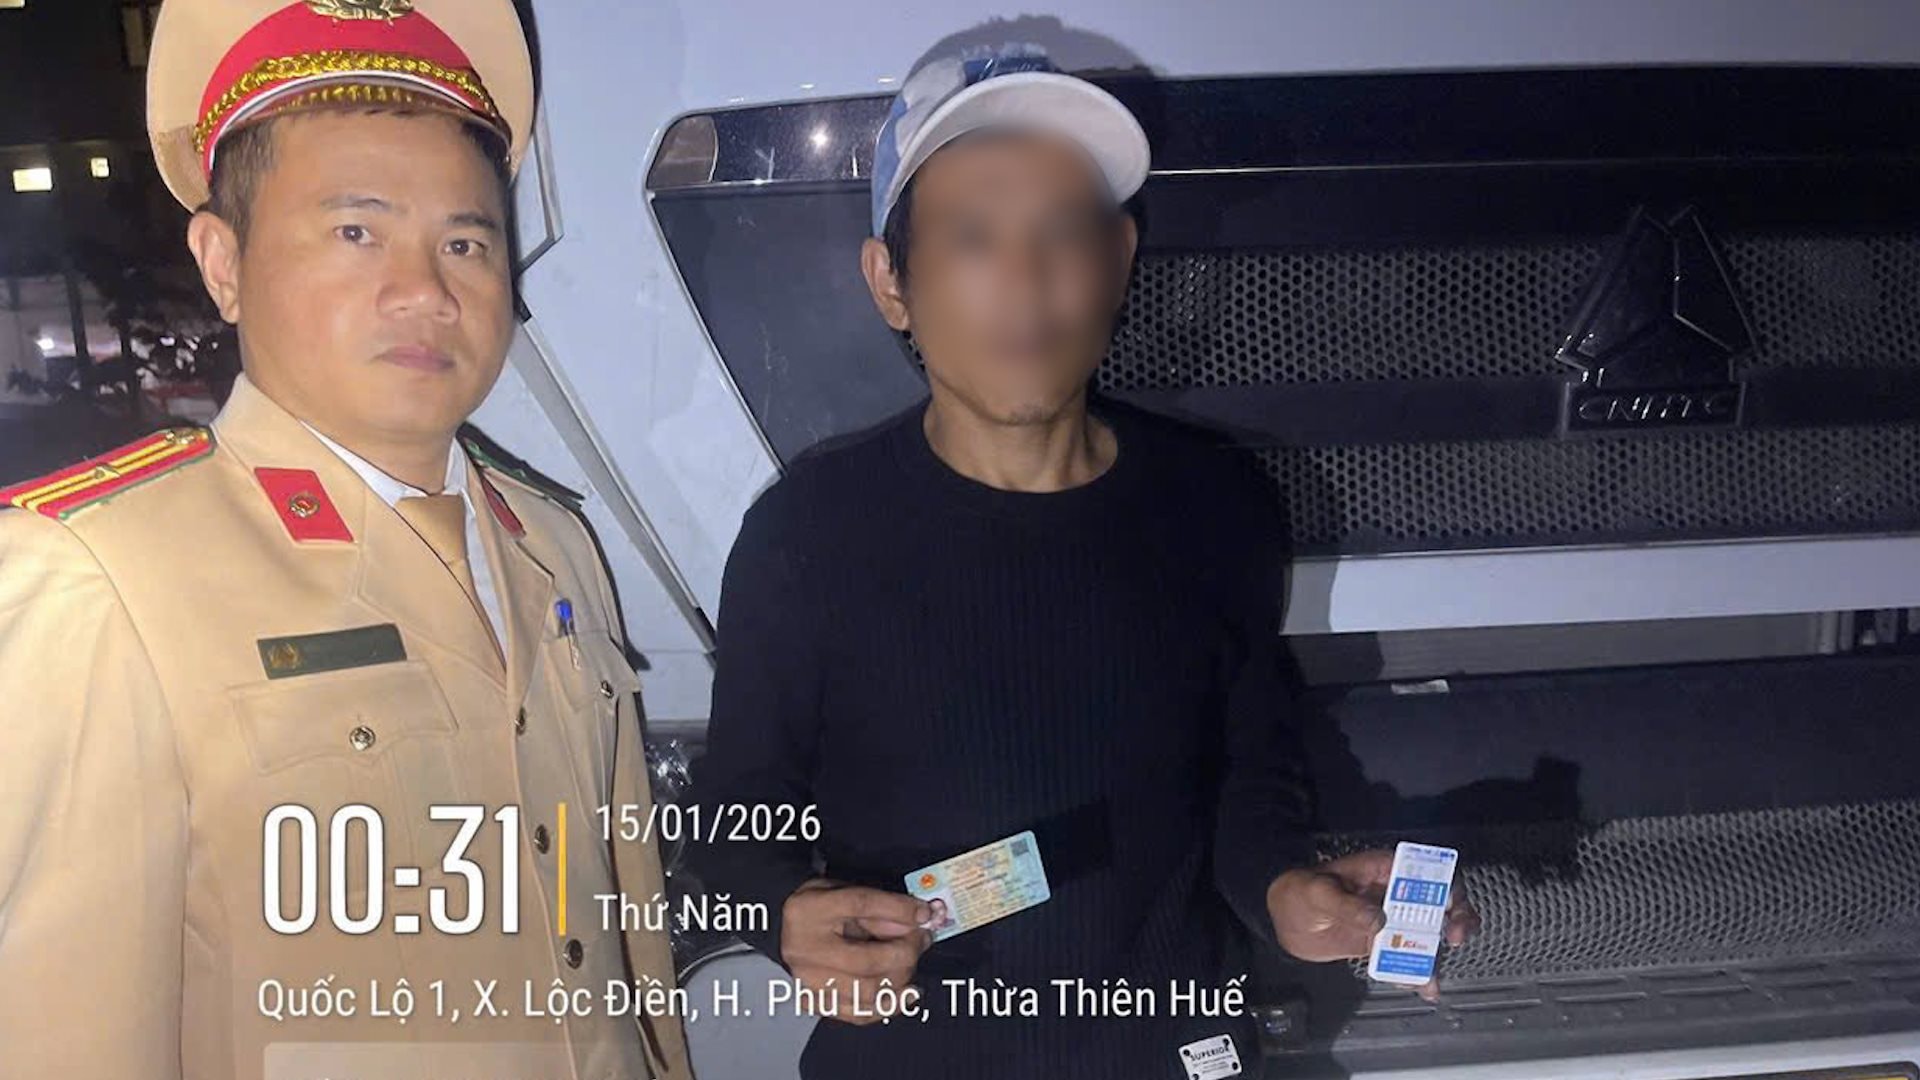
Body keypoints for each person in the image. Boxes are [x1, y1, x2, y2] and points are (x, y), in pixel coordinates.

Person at [688, 44, 1478, 1079]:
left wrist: (1283, 887)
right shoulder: (808, 534)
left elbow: (1248, 774)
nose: (1025, 280)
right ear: (892, 282)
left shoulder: (1218, 504)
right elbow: (733, 822)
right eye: (974, 237)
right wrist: (780, 909)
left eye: (1063, 233)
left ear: (1119, 256)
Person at [0, 2, 688, 1077]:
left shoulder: (554, 544)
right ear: (224, 263)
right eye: (357, 232)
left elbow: (621, 946)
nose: (427, 291)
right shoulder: (103, 580)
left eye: (465, 241)